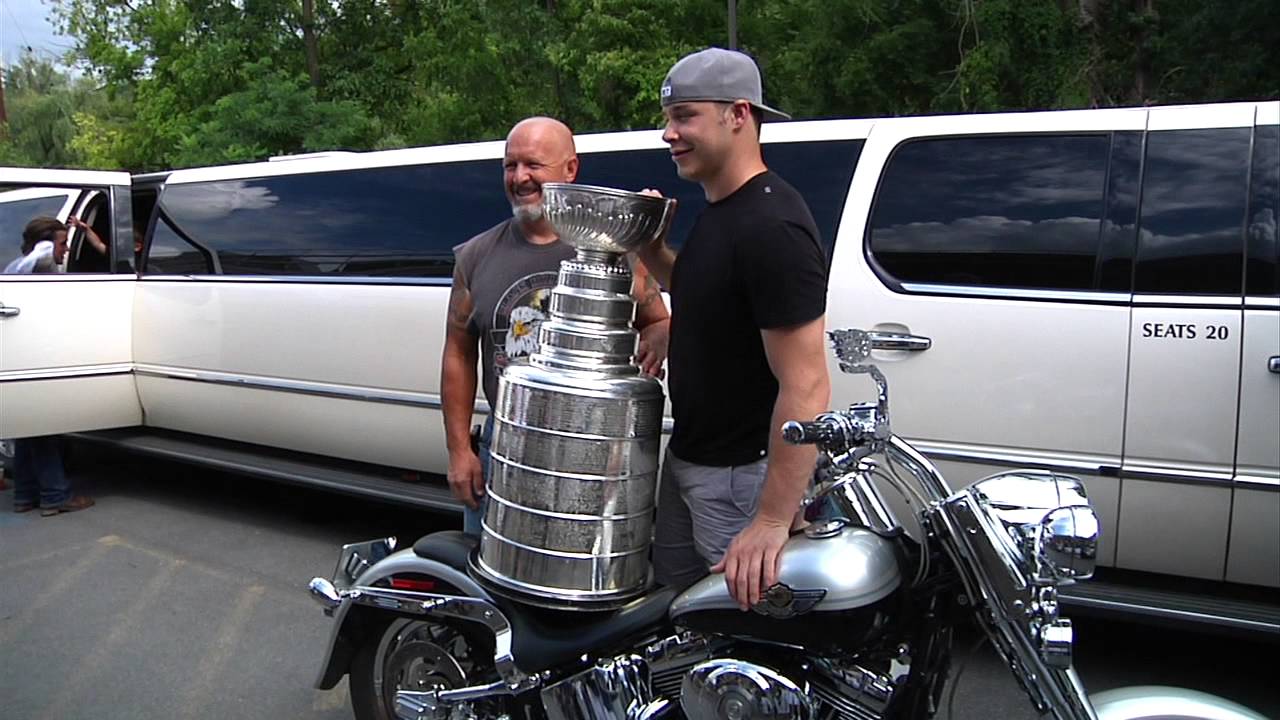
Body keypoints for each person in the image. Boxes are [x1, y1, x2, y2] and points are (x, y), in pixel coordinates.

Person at [636, 48, 831, 609]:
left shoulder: (772, 225)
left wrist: (771, 518)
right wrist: (651, 249)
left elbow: (807, 385)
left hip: (740, 478)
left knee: (746, 632)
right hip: (693, 458)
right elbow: (704, 289)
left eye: (685, 117)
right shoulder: (724, 211)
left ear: (738, 114)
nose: (669, 133)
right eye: (668, 118)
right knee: (679, 608)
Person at [442, 117, 671, 536]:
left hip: (591, 452)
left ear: (571, 169)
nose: (519, 177)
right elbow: (457, 354)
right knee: (488, 569)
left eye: (533, 164)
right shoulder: (474, 256)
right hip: (506, 443)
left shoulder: (612, 250)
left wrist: (658, 335)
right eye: (510, 165)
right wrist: (460, 450)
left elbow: (656, 317)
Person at [4, 217, 97, 515]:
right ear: (44, 245)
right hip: (35, 357)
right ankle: (56, 496)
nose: (66, 249)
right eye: (62, 243)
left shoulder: (19, 270)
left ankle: (25, 495)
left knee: (28, 429)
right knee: (45, 428)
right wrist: (47, 247)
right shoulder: (34, 266)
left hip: (21, 356)